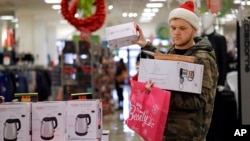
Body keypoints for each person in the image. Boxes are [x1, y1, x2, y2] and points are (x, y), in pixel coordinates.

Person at [133, 0, 219, 140]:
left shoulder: (202, 58)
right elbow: (168, 60)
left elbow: (200, 101)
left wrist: (160, 94)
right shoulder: (176, 50)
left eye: (182, 28)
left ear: (194, 29)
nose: (176, 33)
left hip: (188, 134)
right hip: (167, 130)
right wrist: (145, 45)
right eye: (173, 28)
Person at [201, 12, 237, 141]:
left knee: (217, 112)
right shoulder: (199, 38)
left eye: (207, 19)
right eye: (203, 19)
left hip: (216, 83)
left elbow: (223, 61)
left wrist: (221, 82)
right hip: (202, 84)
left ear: (212, 20)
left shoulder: (219, 38)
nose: (204, 21)